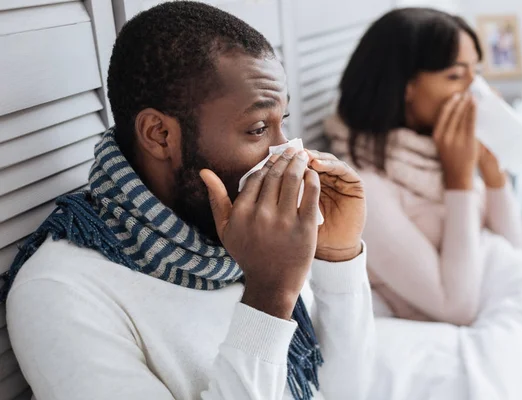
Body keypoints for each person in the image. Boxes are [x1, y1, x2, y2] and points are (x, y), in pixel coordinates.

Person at [3, 3, 374, 399]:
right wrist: (268, 297)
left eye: (283, 123)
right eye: (259, 128)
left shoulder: (243, 234)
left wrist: (338, 256)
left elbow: (346, 391)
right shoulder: (60, 293)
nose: (287, 153)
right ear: (160, 135)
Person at [324, 8, 522, 326]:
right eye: (456, 76)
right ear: (405, 86)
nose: (476, 94)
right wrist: (458, 180)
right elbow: (457, 308)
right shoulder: (362, 188)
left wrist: (491, 169)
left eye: (476, 74)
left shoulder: (433, 151)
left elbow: (516, 252)